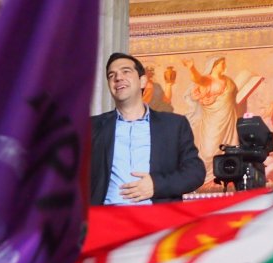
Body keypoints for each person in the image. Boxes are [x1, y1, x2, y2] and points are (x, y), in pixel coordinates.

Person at [90, 52, 206, 205]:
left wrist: (156, 185)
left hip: (156, 221)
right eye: (112, 75)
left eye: (126, 71)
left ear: (143, 81)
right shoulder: (91, 127)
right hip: (107, 221)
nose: (118, 78)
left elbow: (195, 173)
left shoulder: (174, 125)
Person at [182, 57, 241, 189]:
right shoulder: (207, 80)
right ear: (214, 66)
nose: (224, 65)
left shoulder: (228, 81)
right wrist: (192, 67)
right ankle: (207, 179)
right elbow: (197, 79)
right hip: (212, 120)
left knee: (230, 147)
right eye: (221, 63)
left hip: (229, 119)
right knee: (209, 150)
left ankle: (227, 177)